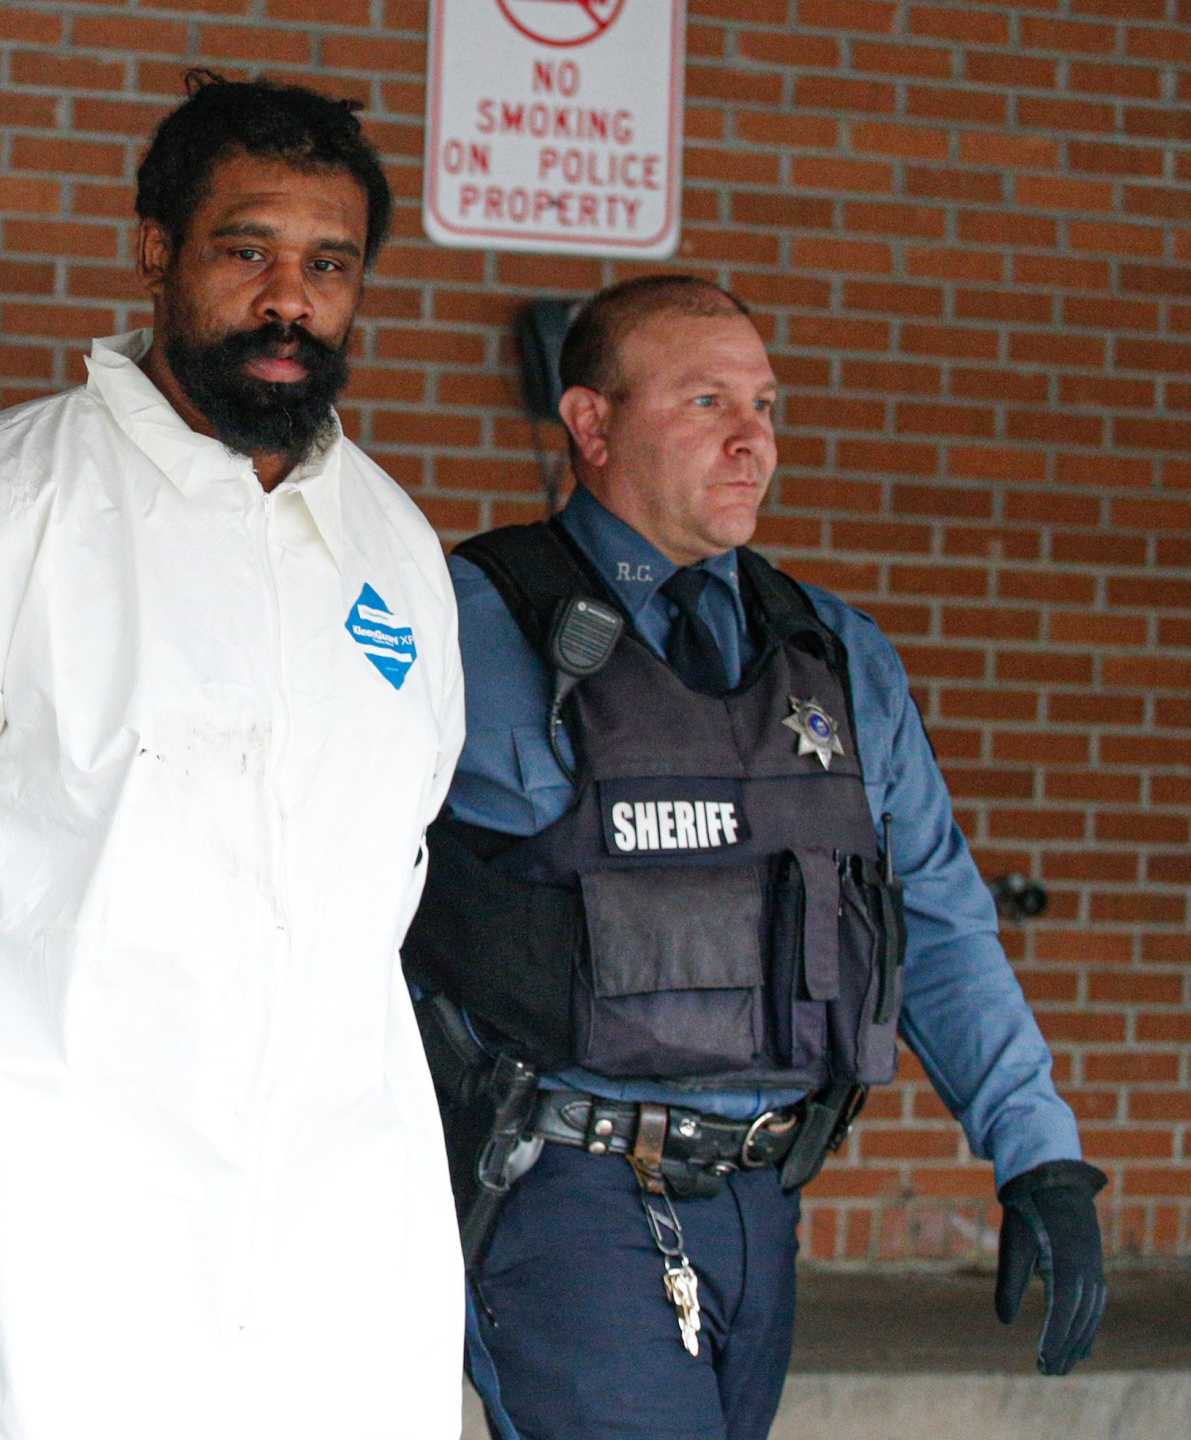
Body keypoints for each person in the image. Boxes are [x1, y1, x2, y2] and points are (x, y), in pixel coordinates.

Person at [0, 73, 467, 1439]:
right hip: (56, 1236)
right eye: (247, 250)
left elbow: (385, 861)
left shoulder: (392, 548)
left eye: (328, 265)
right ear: (156, 250)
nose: (290, 299)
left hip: (334, 1228)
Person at [403, 274, 1106, 1440]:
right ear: (591, 423)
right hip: (560, 1188)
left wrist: (1038, 1156)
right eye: (705, 402)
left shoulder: (832, 654)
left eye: (765, 405)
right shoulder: (465, 624)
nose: (752, 442)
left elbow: (931, 915)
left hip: (763, 1201)